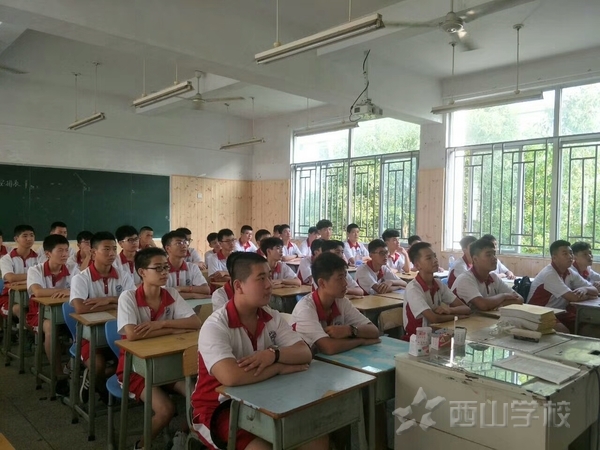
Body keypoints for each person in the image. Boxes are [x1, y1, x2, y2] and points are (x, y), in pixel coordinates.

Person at [191, 252, 326, 450]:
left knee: (316, 440)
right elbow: (231, 377)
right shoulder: (216, 325)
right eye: (261, 278)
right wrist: (278, 368)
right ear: (238, 286)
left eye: (269, 277)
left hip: (264, 398)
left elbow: (304, 353)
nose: (269, 284)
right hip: (219, 409)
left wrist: (273, 355)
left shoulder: (271, 316)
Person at [117, 247, 201, 450]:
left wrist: (160, 324)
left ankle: (183, 433)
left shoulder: (171, 293)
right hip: (136, 369)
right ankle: (141, 445)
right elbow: (133, 334)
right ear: (142, 272)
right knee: (166, 409)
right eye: (158, 268)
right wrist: (172, 329)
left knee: (199, 397)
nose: (164, 272)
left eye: (166, 267)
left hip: (169, 365)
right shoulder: (128, 297)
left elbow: (195, 322)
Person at [70, 231, 135, 403]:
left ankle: (101, 383)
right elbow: (80, 308)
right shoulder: (81, 278)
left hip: (120, 333)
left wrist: (108, 300)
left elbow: (133, 303)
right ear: (93, 252)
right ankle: (97, 387)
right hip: (90, 336)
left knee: (134, 362)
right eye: (106, 249)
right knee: (97, 365)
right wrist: (117, 303)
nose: (112, 253)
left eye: (114, 249)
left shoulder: (123, 275)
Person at [292, 252, 379, 355]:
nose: (345, 283)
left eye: (345, 277)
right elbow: (328, 348)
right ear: (322, 283)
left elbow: (374, 331)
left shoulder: (340, 301)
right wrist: (361, 341)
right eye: (340, 278)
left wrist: (350, 330)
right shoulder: (305, 309)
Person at [402, 242, 470, 341]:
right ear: (417, 265)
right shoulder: (413, 288)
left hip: (436, 336)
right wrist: (457, 316)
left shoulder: (438, 284)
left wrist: (450, 310)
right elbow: (433, 318)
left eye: (435, 256)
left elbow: (466, 308)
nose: (435, 260)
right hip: (416, 340)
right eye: (429, 258)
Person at [528, 240, 599, 333]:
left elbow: (595, 291)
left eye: (571, 253)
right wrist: (589, 295)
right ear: (554, 258)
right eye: (565, 254)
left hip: (559, 311)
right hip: (538, 312)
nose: (570, 256)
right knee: (564, 331)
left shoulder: (570, 272)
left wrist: (584, 289)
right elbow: (572, 297)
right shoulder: (549, 274)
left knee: (585, 326)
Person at [453, 239, 523, 312]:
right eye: (488, 255)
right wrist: (503, 296)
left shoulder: (493, 277)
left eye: (494, 254)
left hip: (483, 318)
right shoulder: (465, 279)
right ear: (475, 259)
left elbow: (520, 298)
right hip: (460, 319)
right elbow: (483, 305)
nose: (494, 258)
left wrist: (501, 304)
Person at [0, 224, 39, 319]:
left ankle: (31, 326)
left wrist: (23, 281)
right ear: (16, 239)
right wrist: (33, 275)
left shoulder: (38, 257)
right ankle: (27, 327)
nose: (29, 239)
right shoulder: (6, 259)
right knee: (19, 308)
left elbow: (42, 277)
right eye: (25, 236)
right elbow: (11, 278)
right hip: (9, 297)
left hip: (32, 294)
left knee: (41, 309)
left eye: (31, 235)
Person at [162, 231, 210, 299]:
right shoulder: (161, 269)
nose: (184, 246)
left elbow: (206, 290)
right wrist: (193, 295)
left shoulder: (192, 267)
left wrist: (181, 288)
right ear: (168, 248)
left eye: (185, 242)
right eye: (179, 243)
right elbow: (162, 294)